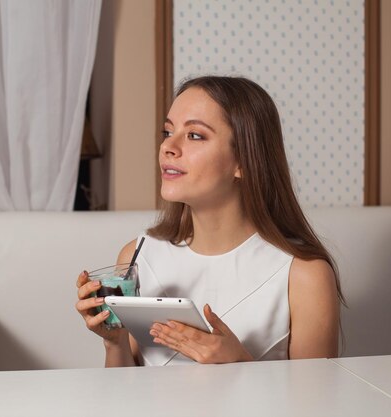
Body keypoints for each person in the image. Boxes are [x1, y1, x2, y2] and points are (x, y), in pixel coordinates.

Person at [76, 75, 344, 367]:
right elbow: (123, 399)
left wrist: (240, 365)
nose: (168, 147)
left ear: (243, 160)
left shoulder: (304, 276)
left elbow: (315, 406)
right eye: (168, 132)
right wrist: (114, 341)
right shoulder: (136, 257)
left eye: (194, 135)